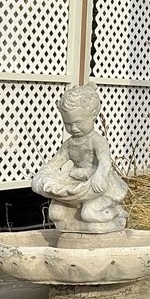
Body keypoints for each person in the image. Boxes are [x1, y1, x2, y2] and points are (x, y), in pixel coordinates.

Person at [32, 84, 127, 231]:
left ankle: (117, 213)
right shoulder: (69, 143)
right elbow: (56, 161)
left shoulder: (97, 140)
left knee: (89, 214)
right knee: (55, 214)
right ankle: (72, 228)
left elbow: (105, 161)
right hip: (76, 181)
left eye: (78, 123)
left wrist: (99, 176)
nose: (73, 128)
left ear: (93, 116)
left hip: (96, 185)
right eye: (68, 124)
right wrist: (43, 174)